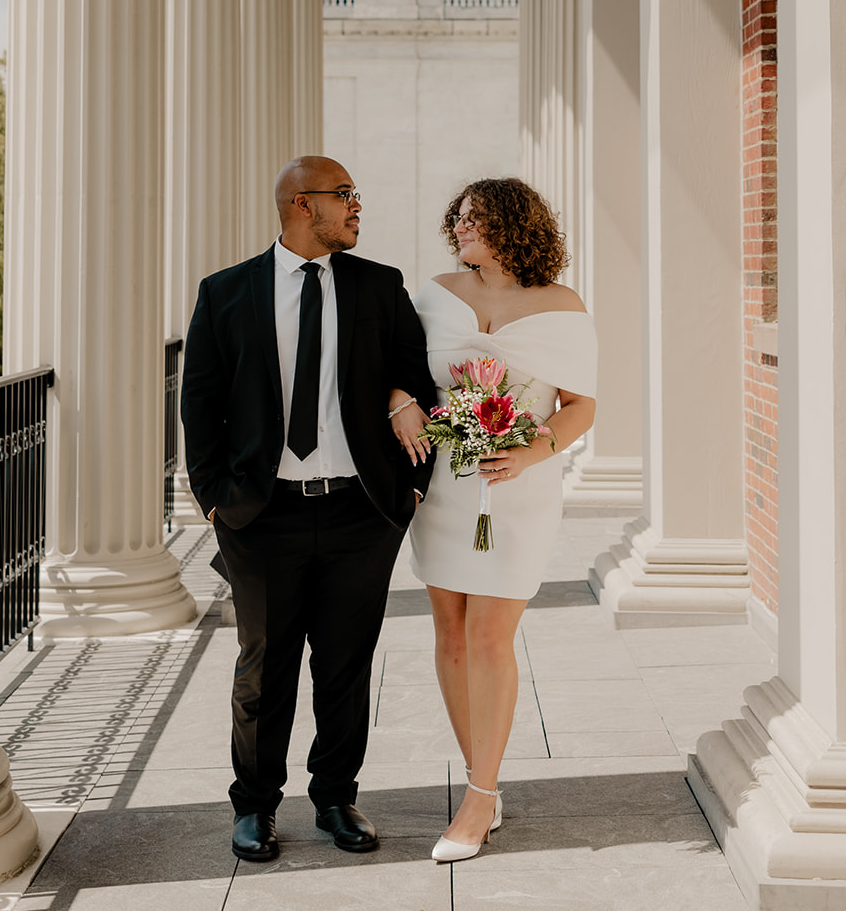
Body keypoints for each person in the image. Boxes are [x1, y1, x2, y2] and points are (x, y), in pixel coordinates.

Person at [180, 156, 436, 864]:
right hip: (261, 516)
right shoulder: (226, 292)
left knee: (346, 665)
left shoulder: (379, 287)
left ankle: (334, 797)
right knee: (265, 666)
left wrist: (407, 486)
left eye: (356, 194)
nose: (358, 207)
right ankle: (255, 807)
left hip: (361, 512)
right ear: (301, 204)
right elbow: (197, 401)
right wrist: (213, 501)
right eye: (344, 195)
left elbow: (416, 378)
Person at [392, 177, 597, 863]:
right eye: (457, 219)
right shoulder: (436, 292)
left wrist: (528, 451)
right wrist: (401, 400)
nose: (460, 229)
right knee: (449, 634)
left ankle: (478, 799)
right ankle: (485, 774)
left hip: (519, 485)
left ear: (512, 224)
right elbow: (396, 366)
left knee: (488, 637)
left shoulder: (562, 305)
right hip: (446, 485)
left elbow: (579, 406)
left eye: (474, 219)